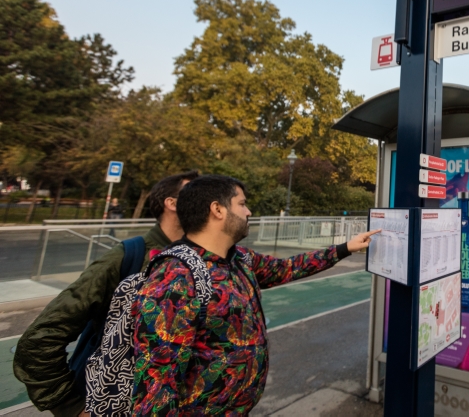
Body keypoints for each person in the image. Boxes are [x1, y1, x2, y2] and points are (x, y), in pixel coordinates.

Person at [130, 175, 380, 414]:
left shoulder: (239, 258)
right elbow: (156, 388)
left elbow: (287, 268)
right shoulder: (175, 280)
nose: (248, 211)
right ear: (218, 210)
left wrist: (345, 248)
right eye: (241, 204)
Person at [13, 170, 199, 416]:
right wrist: (74, 408)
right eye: (195, 193)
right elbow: (39, 339)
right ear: (171, 204)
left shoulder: (200, 261)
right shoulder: (127, 257)